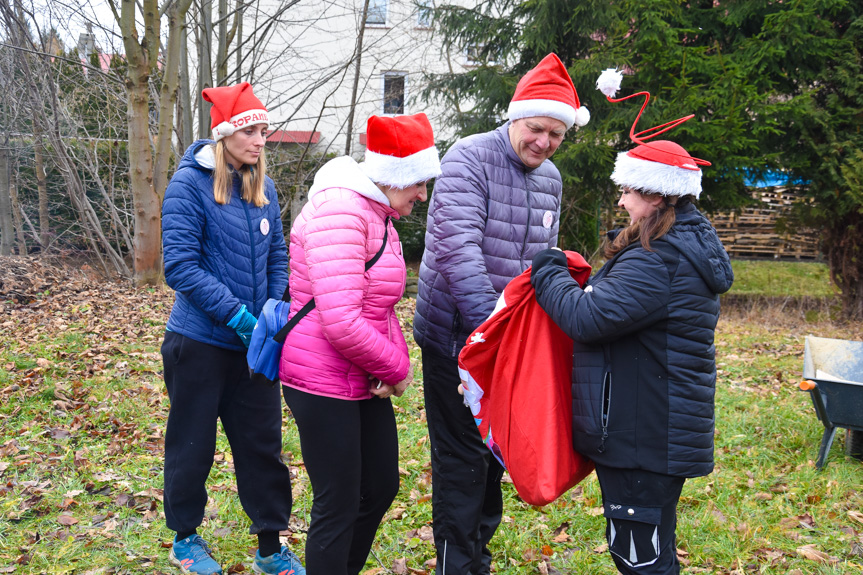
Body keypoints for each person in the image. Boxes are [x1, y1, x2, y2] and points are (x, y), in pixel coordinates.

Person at [529, 71, 734, 575]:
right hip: (653, 428)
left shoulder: (659, 257)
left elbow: (588, 317)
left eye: (628, 191)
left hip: (643, 434)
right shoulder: (682, 244)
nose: (621, 201)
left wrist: (548, 266)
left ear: (658, 195)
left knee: (638, 558)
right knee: (651, 549)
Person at [412, 52, 591, 574]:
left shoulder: (551, 178)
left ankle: (477, 558)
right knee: (462, 457)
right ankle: (455, 563)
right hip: (456, 339)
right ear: (516, 117)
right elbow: (455, 249)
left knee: (496, 453)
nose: (544, 142)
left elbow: (541, 266)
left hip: (510, 344)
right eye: (537, 129)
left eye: (556, 135)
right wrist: (488, 330)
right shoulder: (469, 158)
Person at [278, 113, 441, 575]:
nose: (422, 194)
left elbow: (378, 306)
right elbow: (342, 320)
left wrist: (389, 364)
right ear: (397, 175)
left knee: (380, 485)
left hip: (357, 374)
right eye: (419, 182)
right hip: (320, 377)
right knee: (340, 501)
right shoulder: (343, 212)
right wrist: (399, 370)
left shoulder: (376, 213)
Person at [161, 82, 305, 575]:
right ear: (225, 136)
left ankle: (270, 548)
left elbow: (279, 256)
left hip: (254, 349)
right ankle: (185, 540)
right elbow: (179, 266)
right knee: (192, 445)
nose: (260, 140)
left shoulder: (263, 189)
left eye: (264, 130)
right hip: (198, 344)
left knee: (262, 447)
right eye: (250, 130)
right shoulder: (189, 185)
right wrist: (237, 316)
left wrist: (270, 308)